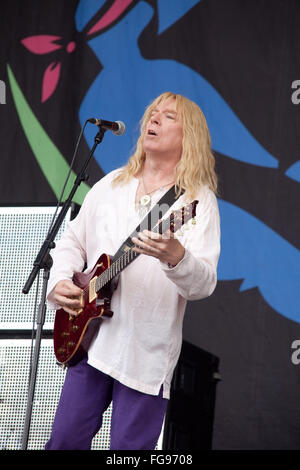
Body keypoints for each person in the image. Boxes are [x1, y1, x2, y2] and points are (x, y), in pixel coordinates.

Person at [45, 91, 220, 450]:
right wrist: (62, 280)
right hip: (91, 341)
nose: (153, 118)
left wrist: (176, 257)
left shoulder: (196, 200)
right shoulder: (110, 185)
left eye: (168, 116)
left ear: (190, 136)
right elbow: (72, 242)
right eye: (152, 112)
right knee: (62, 442)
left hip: (146, 355)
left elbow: (204, 284)